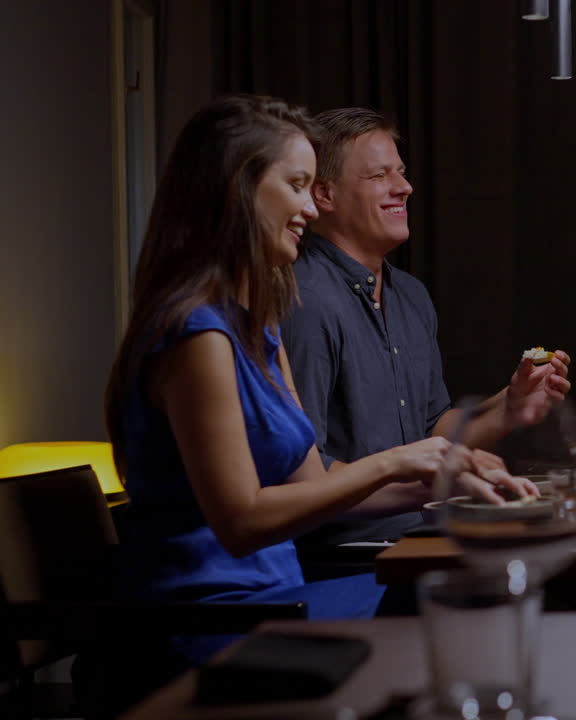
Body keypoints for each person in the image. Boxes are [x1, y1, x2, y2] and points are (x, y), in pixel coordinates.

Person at [102, 95, 517, 664]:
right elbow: (242, 522)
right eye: (296, 185)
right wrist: (394, 461)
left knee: (482, 579)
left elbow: (314, 483)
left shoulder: (259, 327)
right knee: (466, 599)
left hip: (278, 600)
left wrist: (442, 474)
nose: (309, 208)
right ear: (240, 190)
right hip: (212, 618)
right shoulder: (194, 334)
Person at [281, 107, 572, 545]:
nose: (405, 187)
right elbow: (303, 475)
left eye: (400, 172)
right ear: (324, 194)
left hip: (424, 537)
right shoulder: (306, 301)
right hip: (349, 557)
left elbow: (432, 430)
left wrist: (507, 409)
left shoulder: (410, 296)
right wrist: (432, 485)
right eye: (380, 175)